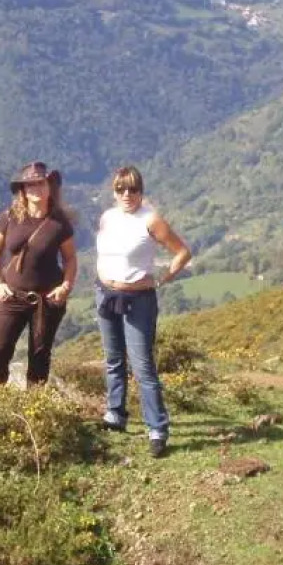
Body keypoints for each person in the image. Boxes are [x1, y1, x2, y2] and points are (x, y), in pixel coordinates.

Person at [94, 165, 191, 457]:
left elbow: (183, 252)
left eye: (133, 189)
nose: (127, 194)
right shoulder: (108, 217)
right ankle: (115, 414)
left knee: (142, 366)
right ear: (113, 191)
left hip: (138, 298)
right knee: (113, 358)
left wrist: (162, 278)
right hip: (105, 293)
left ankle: (157, 428)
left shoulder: (151, 221)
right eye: (120, 189)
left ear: (141, 191)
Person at [0, 161, 78, 386]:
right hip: (12, 295)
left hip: (46, 300)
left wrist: (65, 286)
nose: (36, 189)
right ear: (23, 190)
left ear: (49, 187)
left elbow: (70, 258)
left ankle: (34, 414)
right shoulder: (9, 217)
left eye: (41, 183)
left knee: (39, 358)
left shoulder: (59, 223)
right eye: (30, 185)